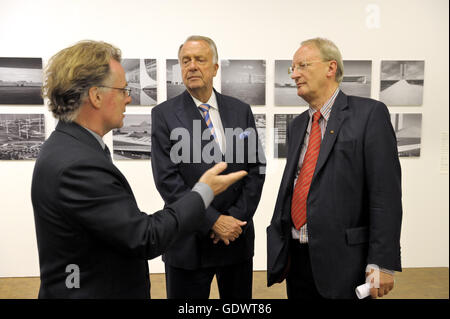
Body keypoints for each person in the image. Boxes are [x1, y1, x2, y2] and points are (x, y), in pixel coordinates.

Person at [31, 40, 247, 299]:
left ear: (215, 67)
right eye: (123, 89)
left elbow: (254, 171)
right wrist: (204, 193)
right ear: (96, 96)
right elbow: (145, 236)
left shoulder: (73, 148)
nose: (130, 97)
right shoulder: (77, 164)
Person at [267, 38, 402, 299]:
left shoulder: (369, 115)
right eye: (292, 68)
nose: (294, 74)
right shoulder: (297, 126)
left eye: (302, 65)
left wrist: (382, 262)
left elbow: (385, 195)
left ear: (331, 68)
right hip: (298, 259)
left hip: (346, 263)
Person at [151, 35, 266, 299]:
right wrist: (212, 221)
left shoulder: (240, 111)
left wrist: (234, 221)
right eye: (185, 61)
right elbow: (167, 181)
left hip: (236, 239)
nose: (192, 66)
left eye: (200, 59)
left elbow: (255, 169)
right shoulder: (164, 114)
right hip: (188, 242)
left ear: (215, 67)